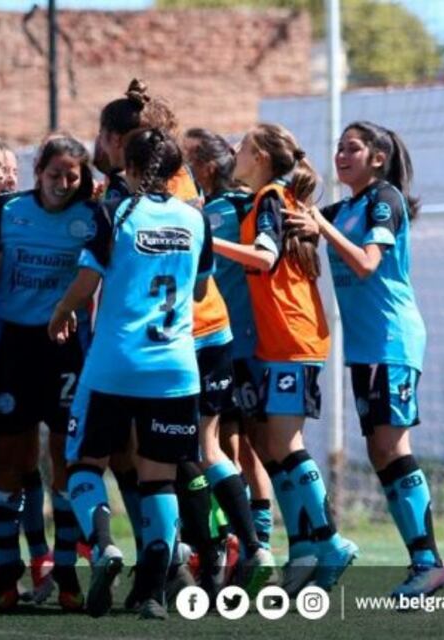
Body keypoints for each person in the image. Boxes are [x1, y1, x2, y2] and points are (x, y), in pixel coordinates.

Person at [50, 127, 212, 621]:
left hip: (115, 364)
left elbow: (85, 281)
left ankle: (103, 547)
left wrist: (60, 314)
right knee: (159, 481)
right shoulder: (195, 219)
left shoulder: (115, 213)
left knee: (84, 461)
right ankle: (153, 594)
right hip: (175, 369)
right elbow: (201, 291)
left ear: (133, 168)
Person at [286, 121, 444, 599]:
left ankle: (429, 562)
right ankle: (423, 561)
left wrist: (320, 225)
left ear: (377, 158)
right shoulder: (345, 207)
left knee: (391, 447)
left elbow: (366, 263)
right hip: (365, 346)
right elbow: (307, 221)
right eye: (337, 147)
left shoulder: (385, 199)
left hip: (391, 339)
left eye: (351, 148)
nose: (340, 155)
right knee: (382, 449)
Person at [212, 123, 358, 597]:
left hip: (293, 338)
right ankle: (304, 547)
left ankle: (330, 540)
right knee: (275, 447)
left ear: (258, 156)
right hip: (282, 340)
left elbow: (262, 259)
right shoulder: (275, 197)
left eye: (244, 147)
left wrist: (205, 240)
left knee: (285, 443)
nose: (235, 152)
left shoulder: (270, 197)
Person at [0, 134, 98, 612]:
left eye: (72, 176)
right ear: (38, 172)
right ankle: (7, 575)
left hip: (67, 347)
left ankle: (67, 574)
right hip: (13, 343)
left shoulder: (92, 215)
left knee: (66, 460)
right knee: (10, 458)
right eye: (56, 175)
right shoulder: (7, 210)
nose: (63, 184)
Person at [185, 128, 277, 595]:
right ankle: (259, 545)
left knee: (218, 448)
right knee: (246, 449)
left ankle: (238, 546)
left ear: (202, 167)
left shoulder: (211, 214)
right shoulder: (258, 205)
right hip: (252, 344)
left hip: (219, 344)